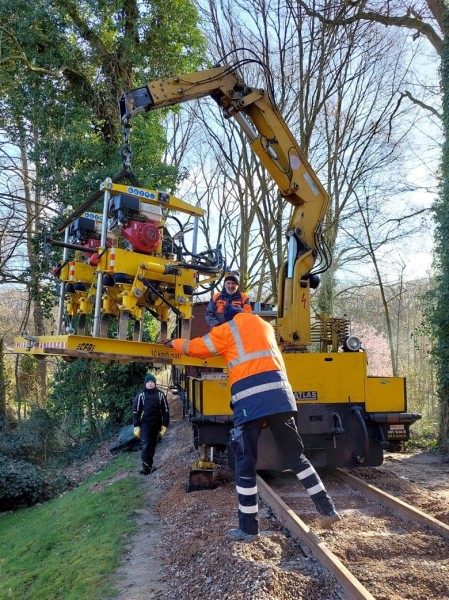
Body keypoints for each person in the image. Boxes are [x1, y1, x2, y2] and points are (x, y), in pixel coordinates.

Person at [163, 305, 340, 541]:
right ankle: (327, 509)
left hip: (250, 401)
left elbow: (197, 348)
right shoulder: (265, 326)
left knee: (246, 463)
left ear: (226, 319)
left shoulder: (227, 330)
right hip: (281, 399)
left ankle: (248, 528)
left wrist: (174, 343)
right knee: (297, 457)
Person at [133, 373, 170, 475]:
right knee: (146, 444)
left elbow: (166, 410)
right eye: (148, 382)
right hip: (145, 423)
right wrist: (136, 426)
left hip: (157, 424)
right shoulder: (141, 395)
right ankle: (145, 468)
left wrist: (164, 425)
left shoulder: (160, 394)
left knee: (153, 445)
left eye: (152, 382)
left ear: (155, 383)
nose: (150, 383)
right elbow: (135, 411)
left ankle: (149, 466)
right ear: (145, 384)